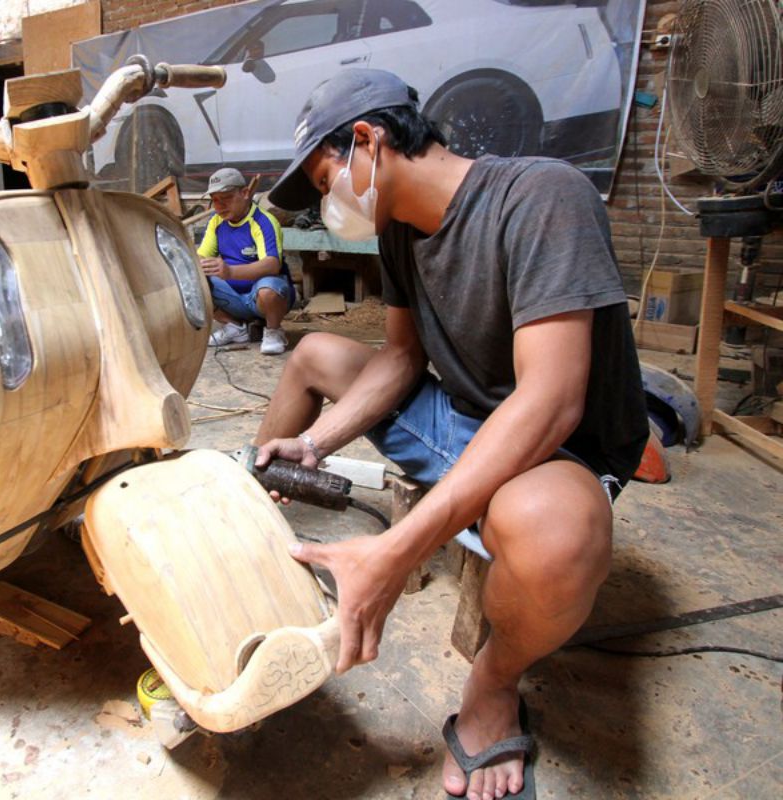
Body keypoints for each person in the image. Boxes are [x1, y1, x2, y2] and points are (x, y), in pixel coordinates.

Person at [256, 69, 648, 800]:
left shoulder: (540, 195)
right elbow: (402, 359)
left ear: (368, 142)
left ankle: (493, 683)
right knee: (311, 355)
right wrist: (318, 443)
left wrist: (397, 551)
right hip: (462, 415)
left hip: (556, 448)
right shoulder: (399, 229)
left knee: (551, 533)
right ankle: (254, 527)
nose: (324, 204)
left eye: (324, 177)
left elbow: (551, 402)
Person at [197, 167, 293, 355]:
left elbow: (272, 264)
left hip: (263, 298)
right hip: (233, 295)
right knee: (194, 281)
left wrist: (230, 272)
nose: (219, 206)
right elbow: (202, 256)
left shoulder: (263, 221)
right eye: (215, 200)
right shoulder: (215, 221)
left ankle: (273, 331)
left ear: (245, 193)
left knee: (269, 289)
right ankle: (234, 327)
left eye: (226, 199)